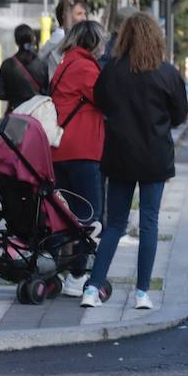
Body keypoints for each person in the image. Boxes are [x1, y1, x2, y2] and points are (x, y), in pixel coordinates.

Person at [82, 13, 188, 311]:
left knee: (115, 223)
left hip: (119, 154)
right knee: (149, 223)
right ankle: (142, 293)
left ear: (124, 38)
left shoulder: (111, 71)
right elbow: (179, 114)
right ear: (156, 39)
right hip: (155, 155)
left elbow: (100, 102)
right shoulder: (167, 73)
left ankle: (92, 288)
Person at [50, 20, 107, 296]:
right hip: (82, 150)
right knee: (90, 215)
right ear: (94, 42)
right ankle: (76, 275)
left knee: (66, 214)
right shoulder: (85, 67)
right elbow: (105, 99)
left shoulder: (65, 64)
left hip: (59, 150)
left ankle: (61, 270)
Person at [0, 24, 49, 112]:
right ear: (33, 39)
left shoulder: (7, 64)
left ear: (16, 41)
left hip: (16, 112)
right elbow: (48, 91)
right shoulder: (42, 63)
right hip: (37, 112)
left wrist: (14, 96)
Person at [38, 0, 89, 77]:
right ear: (65, 15)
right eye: (79, 14)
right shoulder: (60, 40)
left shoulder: (68, 38)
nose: (84, 18)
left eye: (84, 14)